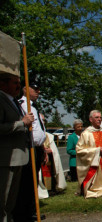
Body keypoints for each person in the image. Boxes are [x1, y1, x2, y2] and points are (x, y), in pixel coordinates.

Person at [0, 73, 34, 222]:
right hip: (6, 158)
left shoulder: (14, 102)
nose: (18, 86)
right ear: (3, 84)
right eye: (15, 83)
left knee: (10, 202)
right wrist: (22, 123)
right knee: (3, 199)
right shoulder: (1, 100)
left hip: (19, 157)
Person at [16, 77, 47, 221]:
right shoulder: (23, 105)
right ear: (25, 89)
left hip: (37, 147)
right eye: (35, 89)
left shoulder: (33, 106)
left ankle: (31, 209)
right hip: (29, 147)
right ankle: (27, 212)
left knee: (33, 181)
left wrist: (43, 147)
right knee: (28, 181)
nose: (38, 92)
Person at [37, 114, 67, 199]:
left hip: (49, 161)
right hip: (39, 160)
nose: (42, 122)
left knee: (50, 175)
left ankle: (51, 189)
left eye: (44, 120)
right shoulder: (32, 133)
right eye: (40, 120)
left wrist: (51, 151)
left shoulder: (48, 136)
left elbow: (54, 151)